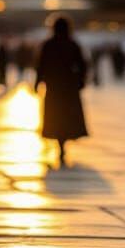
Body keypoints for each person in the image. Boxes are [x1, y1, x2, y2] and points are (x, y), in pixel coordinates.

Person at [35, 15, 89, 165]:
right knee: (66, 117)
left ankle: (60, 144)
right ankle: (63, 144)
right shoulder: (73, 44)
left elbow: (41, 66)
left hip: (54, 87)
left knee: (55, 116)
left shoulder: (48, 45)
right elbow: (83, 65)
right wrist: (80, 81)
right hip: (69, 87)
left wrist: (38, 83)